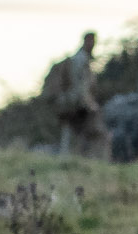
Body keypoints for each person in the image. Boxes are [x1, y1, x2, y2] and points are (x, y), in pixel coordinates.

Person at [44, 31, 112, 159]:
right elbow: (81, 85)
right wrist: (90, 105)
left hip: (71, 103)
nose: (93, 44)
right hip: (77, 104)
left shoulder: (80, 59)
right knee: (96, 134)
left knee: (73, 135)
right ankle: (94, 162)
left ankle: (70, 161)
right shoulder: (81, 60)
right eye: (91, 41)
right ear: (86, 41)